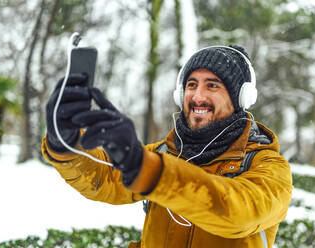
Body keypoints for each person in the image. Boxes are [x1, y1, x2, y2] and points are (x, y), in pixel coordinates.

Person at [42, 45, 293, 248]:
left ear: (241, 97)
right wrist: (64, 143)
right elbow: (104, 177)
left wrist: (150, 171)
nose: (197, 96)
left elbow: (239, 211)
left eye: (212, 85)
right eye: (191, 84)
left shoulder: (267, 166)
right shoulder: (164, 153)